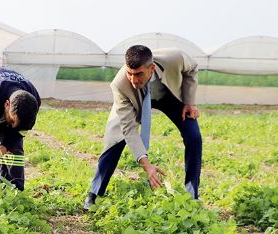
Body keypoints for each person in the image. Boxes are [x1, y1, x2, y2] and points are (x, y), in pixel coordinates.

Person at [84, 45, 202, 210]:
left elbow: (192, 69)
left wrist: (190, 102)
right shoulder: (120, 85)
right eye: (129, 74)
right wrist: (147, 165)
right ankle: (94, 194)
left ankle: (192, 196)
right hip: (134, 101)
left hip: (168, 95)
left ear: (151, 68)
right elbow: (129, 129)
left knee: (194, 137)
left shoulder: (175, 58)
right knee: (115, 140)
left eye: (139, 74)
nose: (133, 80)